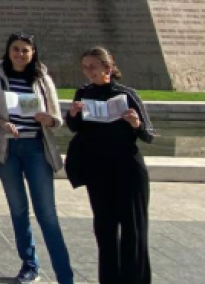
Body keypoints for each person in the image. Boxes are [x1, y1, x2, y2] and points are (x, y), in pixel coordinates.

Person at [0, 33, 73, 284]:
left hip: (36, 149)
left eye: (25, 50)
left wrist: (48, 120)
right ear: (8, 50)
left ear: (33, 53)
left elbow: (57, 118)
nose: (20, 54)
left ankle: (65, 275)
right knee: (18, 209)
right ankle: (30, 265)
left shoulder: (42, 78)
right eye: (16, 49)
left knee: (47, 213)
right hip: (7, 149)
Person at [65, 47, 156, 284]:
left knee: (132, 228)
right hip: (98, 170)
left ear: (107, 67)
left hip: (127, 168)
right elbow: (75, 129)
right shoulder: (83, 93)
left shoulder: (126, 94)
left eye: (93, 66)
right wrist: (73, 114)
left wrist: (135, 123)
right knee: (105, 229)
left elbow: (149, 134)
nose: (89, 72)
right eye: (85, 67)